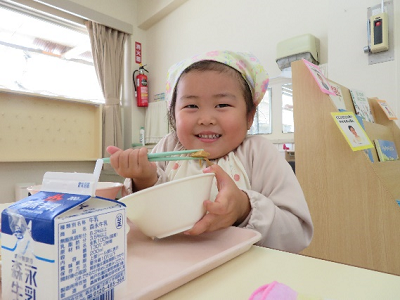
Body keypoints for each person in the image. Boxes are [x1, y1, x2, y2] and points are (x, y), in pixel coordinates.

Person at [107, 50, 313, 253]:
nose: (206, 118)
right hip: (174, 265)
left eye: (222, 104)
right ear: (174, 116)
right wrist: (144, 180)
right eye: (191, 105)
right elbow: (144, 221)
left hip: (245, 273)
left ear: (249, 116)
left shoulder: (259, 153)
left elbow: (297, 234)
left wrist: (244, 209)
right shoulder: (169, 146)